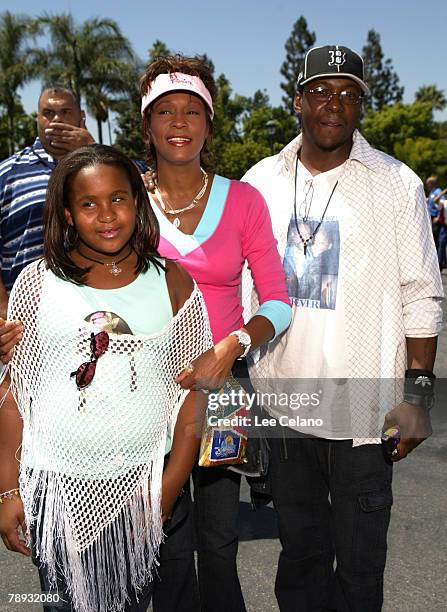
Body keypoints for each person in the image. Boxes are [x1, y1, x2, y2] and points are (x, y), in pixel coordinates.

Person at [242, 45, 444, 611]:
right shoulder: (260, 181)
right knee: (300, 558)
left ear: (361, 106)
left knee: (360, 564)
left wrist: (419, 395)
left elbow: (422, 291)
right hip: (284, 404)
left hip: (367, 410)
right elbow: (241, 293)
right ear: (298, 100)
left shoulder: (396, 183)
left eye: (349, 95)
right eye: (322, 93)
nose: (335, 105)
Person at [0, 144, 212, 612]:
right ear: (69, 214)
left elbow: (195, 395)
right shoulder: (37, 283)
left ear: (138, 201)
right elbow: (16, 392)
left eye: (118, 198)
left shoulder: (172, 281)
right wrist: (7, 489)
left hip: (148, 489)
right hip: (59, 492)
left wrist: (165, 494)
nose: (107, 215)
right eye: (89, 203)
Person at [138, 55, 291, 612]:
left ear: (209, 123)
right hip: (145, 390)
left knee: (220, 540)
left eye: (192, 112)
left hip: (225, 390)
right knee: (166, 539)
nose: (179, 124)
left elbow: (277, 301)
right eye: (165, 112)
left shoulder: (245, 200)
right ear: (147, 124)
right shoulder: (125, 198)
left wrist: (232, 346)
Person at [0, 86, 95, 317]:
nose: (56, 120)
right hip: (25, 321)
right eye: (48, 113)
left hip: (97, 315)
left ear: (81, 117)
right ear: (37, 120)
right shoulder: (7, 173)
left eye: (65, 111)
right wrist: (4, 309)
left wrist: (92, 148)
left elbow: (141, 186)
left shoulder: (103, 169)